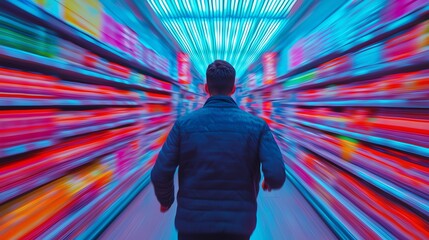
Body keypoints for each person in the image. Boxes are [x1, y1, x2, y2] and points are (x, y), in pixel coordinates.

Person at [151, 60, 286, 240]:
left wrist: (166, 201)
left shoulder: (183, 125)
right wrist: (269, 179)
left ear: (206, 88)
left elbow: (160, 172)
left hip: (192, 224)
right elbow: (277, 175)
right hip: (238, 225)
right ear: (233, 89)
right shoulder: (257, 126)